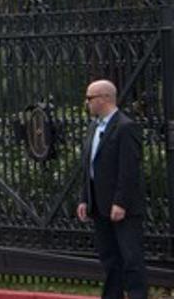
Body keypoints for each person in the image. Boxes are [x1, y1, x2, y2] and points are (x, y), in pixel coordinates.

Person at [77, 79, 147, 299]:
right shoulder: (93, 127)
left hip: (121, 207)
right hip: (99, 204)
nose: (87, 103)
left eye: (90, 98)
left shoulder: (126, 127)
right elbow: (89, 166)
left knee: (130, 258)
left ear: (105, 98)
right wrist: (84, 199)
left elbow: (129, 170)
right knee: (109, 258)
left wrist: (121, 202)